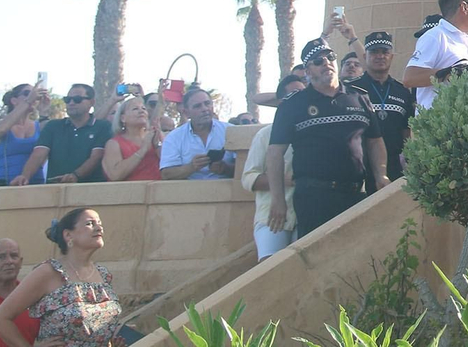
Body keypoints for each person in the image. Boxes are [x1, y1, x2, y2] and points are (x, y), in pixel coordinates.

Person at [266, 40, 388, 238]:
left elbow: (375, 141)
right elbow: (274, 153)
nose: (327, 63)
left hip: (355, 195)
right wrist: (277, 200)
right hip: (314, 197)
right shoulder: (292, 105)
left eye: (330, 57)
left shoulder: (359, 98)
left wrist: (381, 175)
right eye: (318, 60)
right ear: (307, 70)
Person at [0, 208, 120, 347]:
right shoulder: (49, 272)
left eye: (99, 223)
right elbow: (0, 320)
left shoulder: (104, 275)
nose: (98, 227)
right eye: (90, 223)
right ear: (68, 235)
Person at [243, 76, 306, 260]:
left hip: (305, 214)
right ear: (281, 102)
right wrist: (285, 180)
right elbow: (248, 178)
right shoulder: (265, 135)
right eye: (295, 94)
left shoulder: (315, 133)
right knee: (269, 270)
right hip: (273, 218)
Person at [403, 0, 468, 111]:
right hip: (435, 126)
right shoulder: (436, 36)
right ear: (464, 7)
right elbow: (410, 78)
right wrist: (450, 73)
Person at [346, 31, 413, 183]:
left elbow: (406, 132)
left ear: (392, 56)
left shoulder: (402, 91)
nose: (380, 56)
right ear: (365, 56)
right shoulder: (350, 89)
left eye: (385, 52)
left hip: (394, 169)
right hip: (358, 168)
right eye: (374, 52)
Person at [14, 85, 111, 186]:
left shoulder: (103, 126)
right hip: (55, 189)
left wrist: (75, 176)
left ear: (92, 102)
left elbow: (96, 157)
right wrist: (25, 176)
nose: (71, 103)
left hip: (90, 189)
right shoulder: (53, 126)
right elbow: (39, 154)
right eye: (67, 99)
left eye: (77, 99)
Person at [158, 88, 233, 180]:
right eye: (197, 106)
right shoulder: (174, 137)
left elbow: (246, 169)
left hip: (227, 190)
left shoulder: (231, 131)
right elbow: (166, 174)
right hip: (188, 192)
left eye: (207, 103)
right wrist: (191, 167)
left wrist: (225, 169)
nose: (205, 109)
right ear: (186, 113)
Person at [0, 85, 48, 187]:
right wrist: (28, 102)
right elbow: (1, 130)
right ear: (14, 101)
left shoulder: (39, 126)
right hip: (4, 184)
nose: (33, 96)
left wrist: (44, 111)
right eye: (27, 93)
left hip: (35, 184)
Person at [101, 97, 161, 182]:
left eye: (143, 108)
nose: (141, 111)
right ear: (123, 118)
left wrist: (157, 145)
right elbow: (115, 175)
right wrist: (142, 150)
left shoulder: (155, 136)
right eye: (135, 109)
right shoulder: (114, 143)